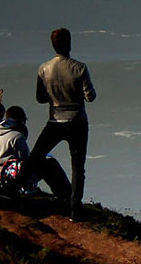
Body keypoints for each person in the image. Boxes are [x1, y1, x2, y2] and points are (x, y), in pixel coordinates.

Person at [22, 28, 96, 220]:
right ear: (69, 44)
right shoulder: (80, 68)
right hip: (77, 121)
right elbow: (90, 96)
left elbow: (40, 98)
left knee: (35, 156)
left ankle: (10, 189)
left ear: (53, 45)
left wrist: (54, 93)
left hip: (55, 120)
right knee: (78, 167)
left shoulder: (43, 68)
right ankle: (75, 210)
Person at [0, 105, 71, 201]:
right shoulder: (17, 136)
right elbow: (27, 163)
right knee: (51, 164)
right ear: (21, 121)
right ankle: (66, 195)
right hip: (6, 178)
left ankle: (64, 196)